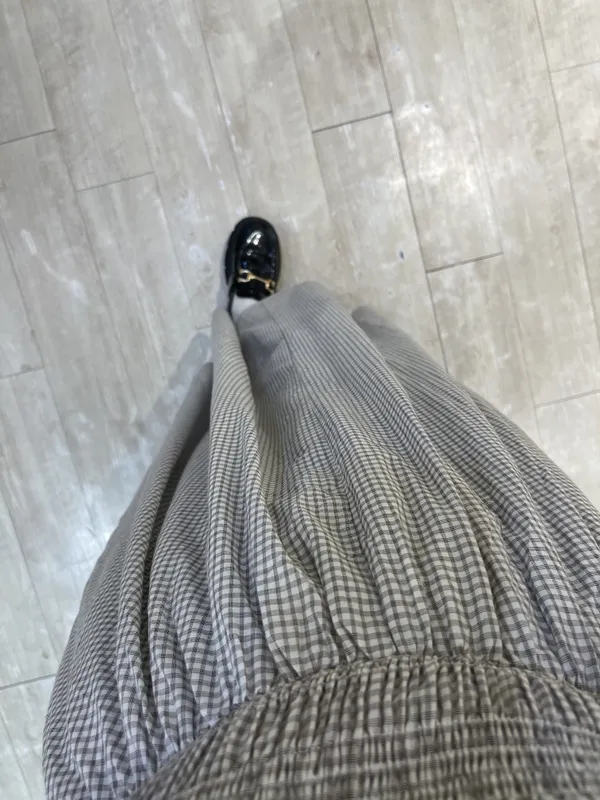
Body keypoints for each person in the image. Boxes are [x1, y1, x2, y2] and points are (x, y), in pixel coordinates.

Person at [44, 218, 600, 799]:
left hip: (195, 738)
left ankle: (249, 328)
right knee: (383, 409)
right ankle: (314, 338)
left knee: (220, 467)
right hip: (545, 680)